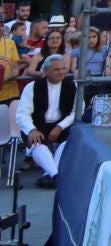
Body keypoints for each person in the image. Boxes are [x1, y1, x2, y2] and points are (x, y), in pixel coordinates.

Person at [22, 56, 77, 187]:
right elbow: (22, 113)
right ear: (46, 71)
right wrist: (31, 129)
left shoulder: (72, 85)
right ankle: (56, 175)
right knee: (35, 142)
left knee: (71, 137)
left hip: (61, 124)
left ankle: (50, 175)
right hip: (37, 124)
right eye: (56, 69)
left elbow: (76, 112)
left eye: (64, 68)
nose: (61, 72)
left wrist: (59, 126)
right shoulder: (32, 87)